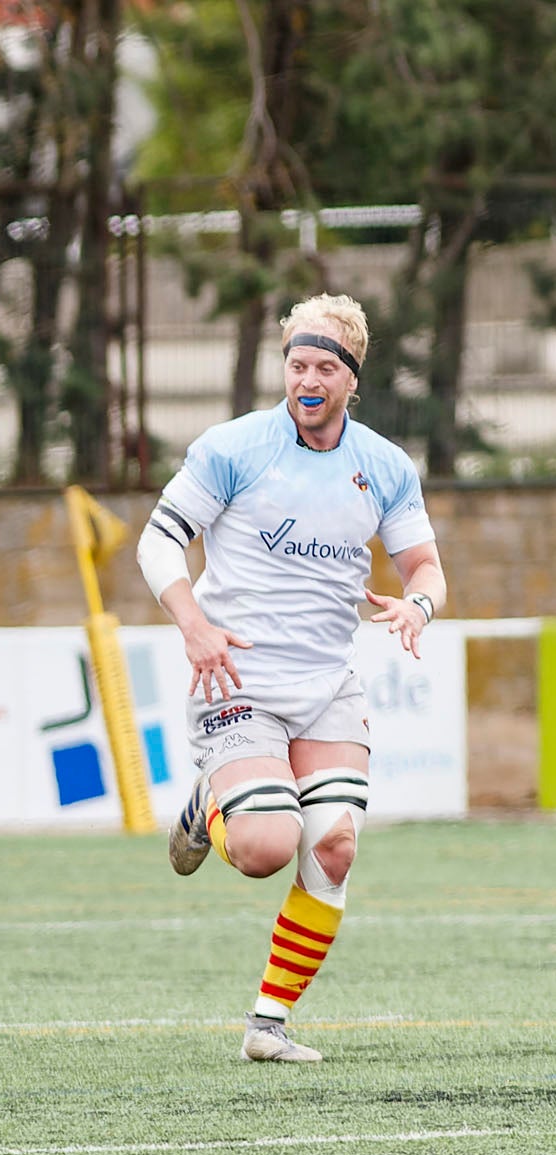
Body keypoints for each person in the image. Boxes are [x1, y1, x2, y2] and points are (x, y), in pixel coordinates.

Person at [136, 292, 446, 1063]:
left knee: (335, 846)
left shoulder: (383, 465)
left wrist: (418, 607)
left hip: (325, 684)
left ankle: (265, 1025)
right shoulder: (233, 447)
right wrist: (194, 624)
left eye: (323, 367)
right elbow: (157, 543)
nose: (306, 378)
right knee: (266, 847)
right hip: (236, 678)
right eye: (296, 363)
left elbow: (425, 566)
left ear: (351, 377)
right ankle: (209, 801)